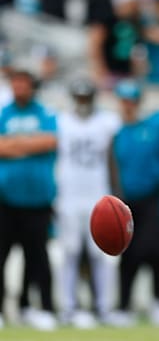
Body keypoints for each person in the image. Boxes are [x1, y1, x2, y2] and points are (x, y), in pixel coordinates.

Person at [109, 79, 159, 326]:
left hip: (153, 198)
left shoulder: (153, 130)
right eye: (124, 101)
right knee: (128, 253)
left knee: (156, 249)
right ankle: (123, 304)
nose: (127, 106)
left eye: (131, 101)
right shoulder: (117, 134)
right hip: (125, 202)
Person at [55, 78, 121, 327]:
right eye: (79, 98)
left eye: (86, 98)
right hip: (69, 196)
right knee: (69, 253)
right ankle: (69, 308)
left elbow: (112, 160)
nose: (82, 103)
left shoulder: (106, 122)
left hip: (98, 196)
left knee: (101, 255)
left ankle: (103, 307)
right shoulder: (61, 122)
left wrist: (116, 194)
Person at [0, 70, 57, 330]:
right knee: (2, 256)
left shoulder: (45, 113)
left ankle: (40, 308)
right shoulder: (5, 113)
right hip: (7, 199)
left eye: (23, 83)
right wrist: (29, 144)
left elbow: (50, 141)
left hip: (38, 200)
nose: (18, 88)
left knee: (37, 258)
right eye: (15, 83)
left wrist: (14, 145)